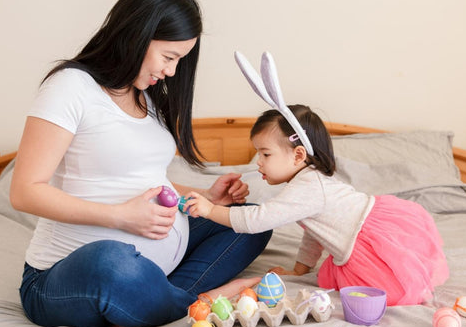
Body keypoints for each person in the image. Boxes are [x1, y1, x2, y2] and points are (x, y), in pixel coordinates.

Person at [9, 0, 272, 327]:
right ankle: (199, 299)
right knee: (113, 262)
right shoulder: (70, 87)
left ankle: (156, 298)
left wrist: (206, 198)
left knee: (251, 221)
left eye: (179, 60)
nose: (172, 71)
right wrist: (119, 217)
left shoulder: (146, 97)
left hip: (155, 262)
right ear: (137, 33)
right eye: (169, 57)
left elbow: (146, 177)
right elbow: (24, 191)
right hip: (66, 277)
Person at [186, 104, 449, 306]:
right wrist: (300, 268)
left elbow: (257, 220)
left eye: (265, 154)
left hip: (370, 240)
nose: (259, 162)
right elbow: (315, 233)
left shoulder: (308, 187)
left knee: (391, 287)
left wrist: (210, 210)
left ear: (298, 155)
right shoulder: (308, 183)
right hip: (363, 232)